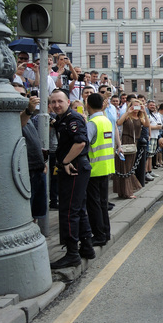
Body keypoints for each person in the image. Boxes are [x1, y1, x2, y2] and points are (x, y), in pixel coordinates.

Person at [49, 89, 95, 269]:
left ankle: (72, 254)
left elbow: (80, 142)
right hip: (77, 166)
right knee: (78, 208)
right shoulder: (63, 119)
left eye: (60, 101)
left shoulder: (72, 118)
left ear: (68, 102)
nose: (56, 105)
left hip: (74, 167)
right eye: (53, 102)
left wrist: (64, 161)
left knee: (68, 211)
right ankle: (87, 247)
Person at [12, 83, 47, 221]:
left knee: (36, 211)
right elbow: (17, 124)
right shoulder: (15, 115)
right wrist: (29, 110)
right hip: (27, 170)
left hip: (37, 168)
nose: (23, 98)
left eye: (24, 95)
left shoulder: (27, 115)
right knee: (28, 209)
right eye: (19, 95)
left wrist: (43, 163)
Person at [86, 93, 117, 247]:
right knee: (103, 203)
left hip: (94, 168)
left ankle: (98, 235)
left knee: (94, 205)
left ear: (87, 105)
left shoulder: (92, 122)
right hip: (106, 167)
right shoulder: (105, 120)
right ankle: (105, 233)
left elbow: (84, 144)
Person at [114, 98, 150, 199]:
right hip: (125, 142)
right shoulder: (127, 117)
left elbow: (147, 125)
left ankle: (125, 191)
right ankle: (126, 192)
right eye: (133, 106)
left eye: (138, 106)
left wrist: (145, 112)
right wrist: (127, 112)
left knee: (129, 168)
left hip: (133, 144)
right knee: (123, 168)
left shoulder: (140, 118)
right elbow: (119, 123)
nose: (136, 109)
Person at [146, 99, 163, 179]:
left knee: (151, 155)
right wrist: (156, 127)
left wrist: (158, 127)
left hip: (156, 136)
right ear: (147, 106)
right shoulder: (147, 114)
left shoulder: (156, 114)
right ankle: (146, 172)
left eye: (153, 105)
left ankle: (150, 170)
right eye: (151, 105)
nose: (152, 106)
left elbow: (160, 124)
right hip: (150, 136)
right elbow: (147, 125)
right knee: (148, 155)